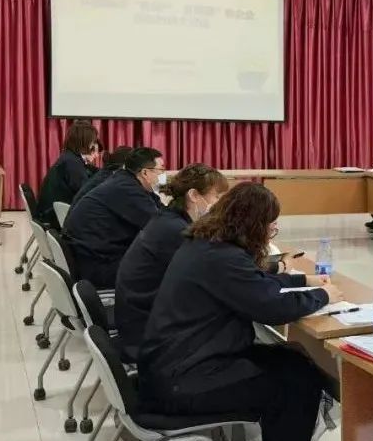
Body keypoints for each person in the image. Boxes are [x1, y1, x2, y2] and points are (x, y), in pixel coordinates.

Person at [138, 183, 342, 441]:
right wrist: (323, 296)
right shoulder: (221, 256)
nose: (272, 231)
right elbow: (269, 306)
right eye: (270, 225)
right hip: (185, 379)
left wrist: (302, 281)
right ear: (252, 224)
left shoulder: (208, 245)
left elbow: (254, 283)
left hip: (182, 363)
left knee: (292, 361)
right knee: (299, 383)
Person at [114, 164, 230, 357]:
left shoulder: (169, 218)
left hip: (139, 315)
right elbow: (213, 274)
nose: (218, 203)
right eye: (216, 196)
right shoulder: (175, 230)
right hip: (146, 332)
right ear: (194, 195)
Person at [63, 147, 165, 288]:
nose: (163, 175)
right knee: (166, 268)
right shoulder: (127, 189)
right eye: (161, 170)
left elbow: (158, 209)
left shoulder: (124, 179)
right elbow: (160, 225)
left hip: (91, 256)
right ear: (145, 173)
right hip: (98, 268)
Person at [36, 120, 100, 224]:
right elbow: (85, 191)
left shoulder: (69, 157)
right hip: (55, 217)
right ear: (84, 141)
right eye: (92, 141)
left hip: (50, 213)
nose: (93, 144)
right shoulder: (72, 162)